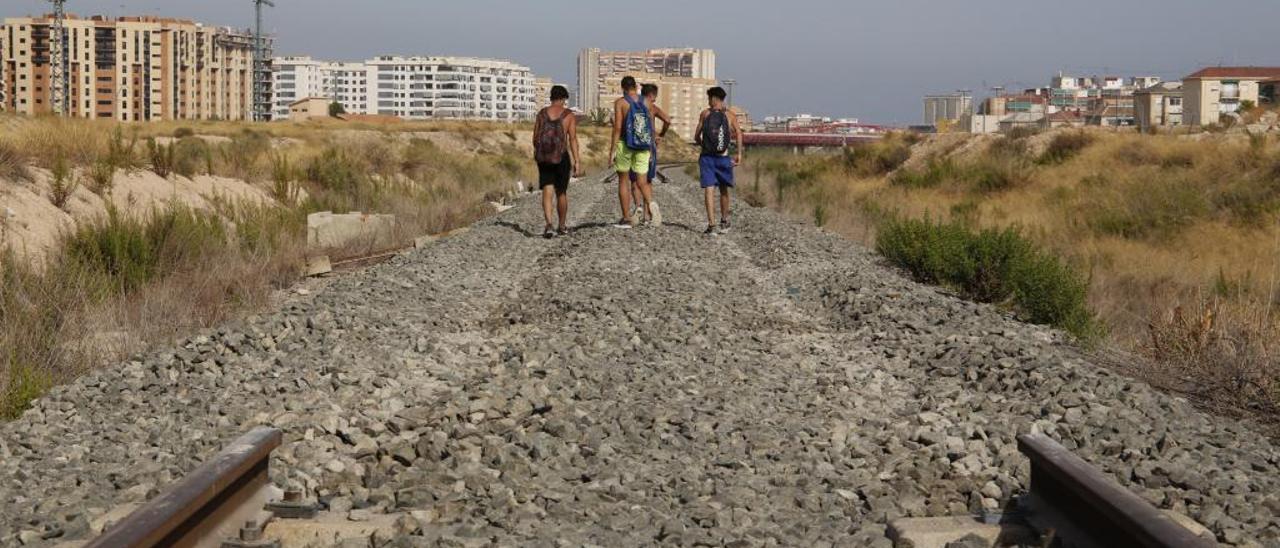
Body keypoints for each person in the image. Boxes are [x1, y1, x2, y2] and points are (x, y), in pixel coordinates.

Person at [532, 85, 581, 238]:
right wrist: (577, 160)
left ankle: (548, 224)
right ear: (563, 99)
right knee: (561, 192)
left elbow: (534, 138)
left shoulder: (541, 114)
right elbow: (572, 139)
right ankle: (562, 226)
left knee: (547, 189)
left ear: (551, 97)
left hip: (544, 158)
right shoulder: (568, 115)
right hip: (561, 157)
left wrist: (542, 152)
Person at [693, 86, 743, 235]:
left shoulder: (705, 114)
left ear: (714, 99)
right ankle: (724, 221)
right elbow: (739, 134)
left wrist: (705, 147)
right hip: (723, 157)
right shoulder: (730, 116)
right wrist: (739, 154)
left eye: (709, 98)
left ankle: (711, 225)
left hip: (707, 158)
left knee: (709, 189)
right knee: (723, 189)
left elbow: (696, 136)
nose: (708, 101)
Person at [608, 76, 655, 228]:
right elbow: (651, 127)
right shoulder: (647, 102)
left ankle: (626, 217)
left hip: (625, 144)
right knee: (642, 181)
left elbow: (617, 128)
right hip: (643, 146)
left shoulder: (620, 103)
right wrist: (651, 148)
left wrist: (612, 150)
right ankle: (651, 205)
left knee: (623, 180)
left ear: (623, 88)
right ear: (635, 86)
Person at [629, 84, 670, 223]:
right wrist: (661, 134)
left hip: (634, 145)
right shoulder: (652, 107)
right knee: (647, 180)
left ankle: (637, 208)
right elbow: (668, 120)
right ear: (652, 95)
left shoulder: (633, 105)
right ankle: (648, 215)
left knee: (635, 180)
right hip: (649, 146)